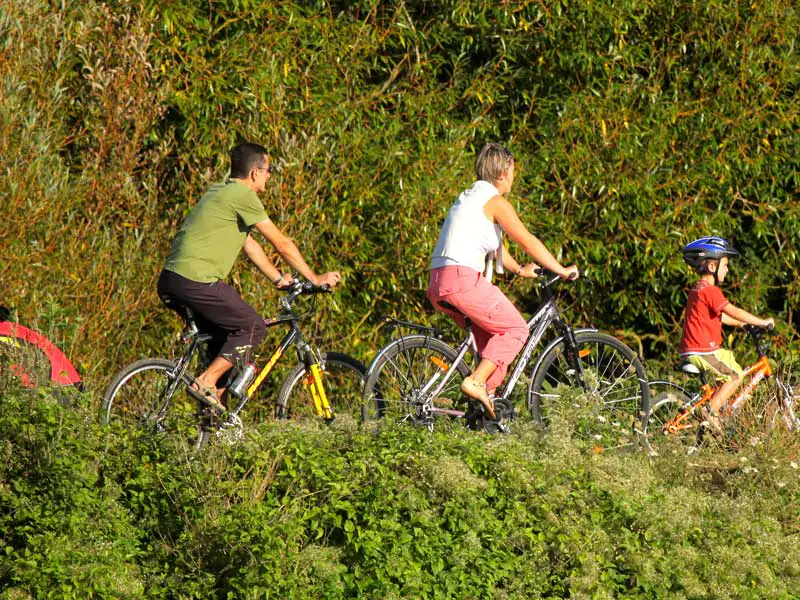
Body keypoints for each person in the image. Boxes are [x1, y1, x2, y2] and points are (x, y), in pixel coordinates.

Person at [157, 142, 341, 408]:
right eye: (268, 170)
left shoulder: (221, 191)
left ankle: (211, 417)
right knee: (252, 326)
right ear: (255, 173)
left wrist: (279, 279)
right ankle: (206, 382)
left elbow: (249, 245)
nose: (270, 176)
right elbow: (282, 244)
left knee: (227, 342)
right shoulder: (243, 196)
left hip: (172, 280)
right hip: (196, 281)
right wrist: (315, 278)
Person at [427, 143, 579, 419]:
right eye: (512, 171)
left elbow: (497, 248)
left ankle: (484, 413)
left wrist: (521, 270)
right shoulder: (496, 202)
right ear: (501, 174)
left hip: (439, 281)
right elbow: (527, 240)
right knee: (516, 330)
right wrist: (561, 268)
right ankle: (474, 382)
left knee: (493, 351)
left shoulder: (469, 197)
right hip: (462, 280)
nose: (513, 177)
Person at [678, 236, 774, 423]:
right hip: (703, 350)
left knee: (731, 363)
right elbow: (732, 310)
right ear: (712, 267)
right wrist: (761, 322)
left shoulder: (698, 289)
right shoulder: (710, 291)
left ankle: (714, 413)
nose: (728, 269)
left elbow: (721, 316)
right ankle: (709, 414)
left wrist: (743, 324)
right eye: (725, 265)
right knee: (735, 377)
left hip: (698, 348)